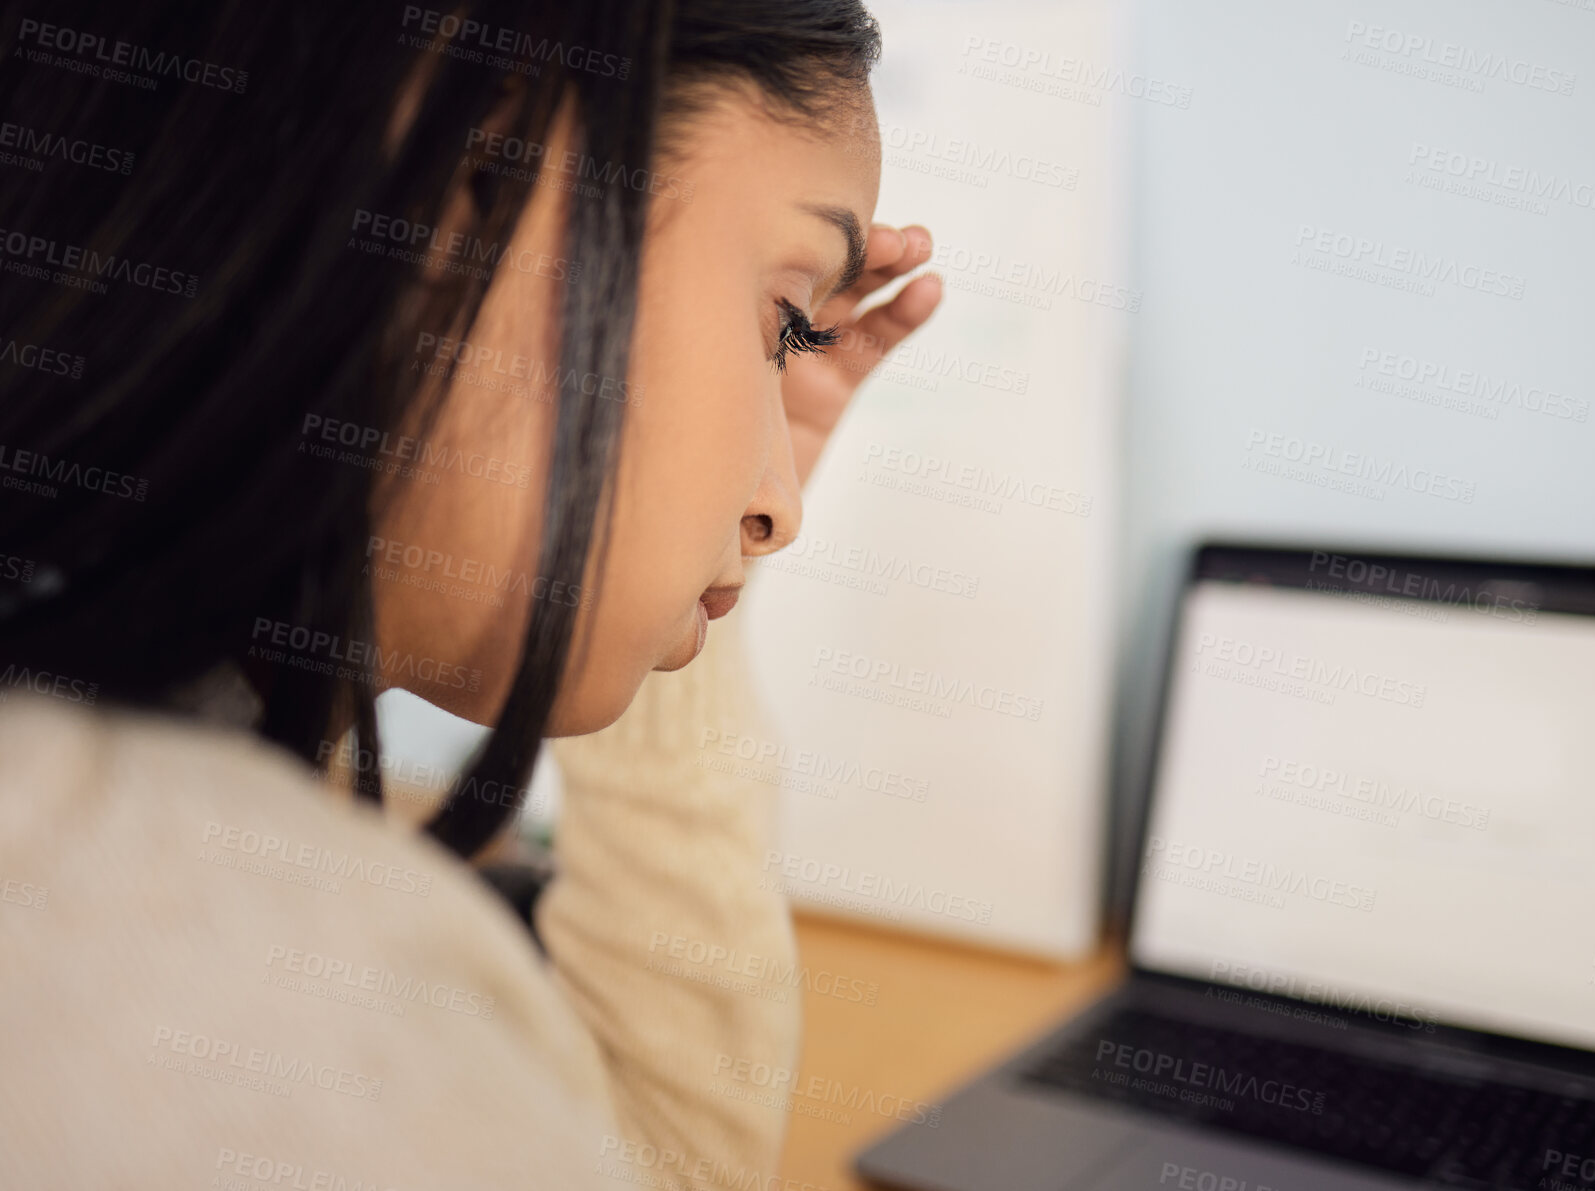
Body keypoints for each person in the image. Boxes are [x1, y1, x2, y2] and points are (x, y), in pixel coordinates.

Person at [0, 0, 941, 1185]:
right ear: (464, 185)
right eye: (788, 321)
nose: (779, 512)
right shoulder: (211, 967)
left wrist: (654, 551)